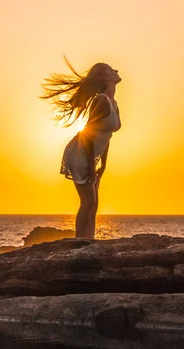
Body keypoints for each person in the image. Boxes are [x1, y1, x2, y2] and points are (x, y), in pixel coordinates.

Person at [41, 59, 122, 239]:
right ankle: (79, 243)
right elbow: (88, 134)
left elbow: (106, 137)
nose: (115, 69)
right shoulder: (101, 101)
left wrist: (103, 165)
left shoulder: (113, 103)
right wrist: (91, 168)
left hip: (91, 155)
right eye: (110, 69)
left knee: (95, 204)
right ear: (104, 77)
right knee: (88, 202)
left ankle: (89, 241)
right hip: (80, 153)